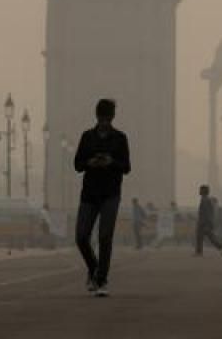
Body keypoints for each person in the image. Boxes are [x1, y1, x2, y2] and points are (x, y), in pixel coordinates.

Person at [73, 98, 131, 297]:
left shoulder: (120, 138)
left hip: (110, 194)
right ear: (96, 117)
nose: (104, 122)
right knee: (81, 236)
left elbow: (126, 167)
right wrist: (90, 162)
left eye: (107, 118)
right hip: (89, 194)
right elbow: (77, 164)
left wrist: (110, 162)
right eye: (101, 118)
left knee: (105, 237)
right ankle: (94, 267)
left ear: (112, 117)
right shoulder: (87, 137)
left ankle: (101, 279)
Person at [194, 185, 222, 256]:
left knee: (208, 238)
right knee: (203, 237)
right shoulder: (205, 199)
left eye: (200, 190)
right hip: (204, 222)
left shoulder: (205, 200)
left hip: (204, 223)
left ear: (203, 191)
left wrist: (207, 223)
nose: (199, 191)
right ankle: (199, 252)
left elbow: (207, 213)